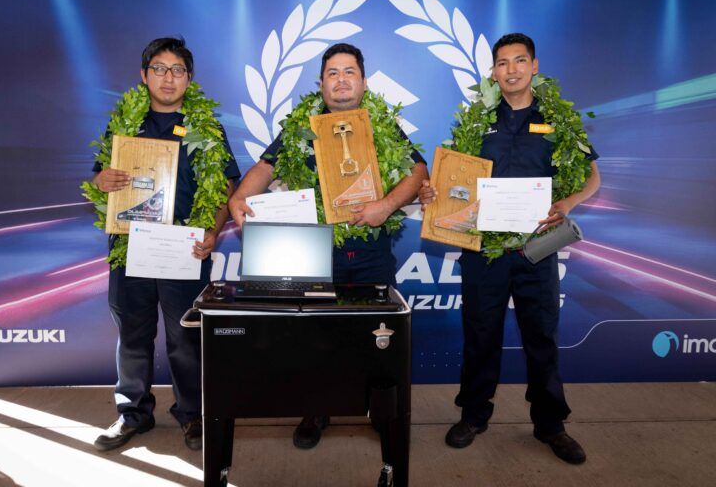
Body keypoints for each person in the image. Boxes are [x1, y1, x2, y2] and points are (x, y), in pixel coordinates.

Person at [228, 43, 428, 449]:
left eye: (349, 71)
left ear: (364, 81)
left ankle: (379, 409)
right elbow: (266, 167)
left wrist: (386, 205)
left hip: (370, 253)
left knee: (378, 337)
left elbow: (418, 170)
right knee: (315, 337)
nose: (341, 79)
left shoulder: (383, 123)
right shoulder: (301, 124)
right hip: (316, 253)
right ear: (321, 84)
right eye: (332, 73)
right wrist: (238, 198)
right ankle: (314, 410)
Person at [419, 33, 600, 465]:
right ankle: (474, 415)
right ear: (493, 72)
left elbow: (592, 177)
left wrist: (567, 203)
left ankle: (550, 425)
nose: (512, 69)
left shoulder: (558, 118)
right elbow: (453, 182)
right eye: (502, 63)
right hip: (484, 251)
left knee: (542, 337)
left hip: (536, 249)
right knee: (481, 336)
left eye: (520, 61)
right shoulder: (476, 120)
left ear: (535, 66)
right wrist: (434, 195)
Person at [90, 37, 240, 451]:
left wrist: (213, 232)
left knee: (186, 339)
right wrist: (101, 181)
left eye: (177, 70)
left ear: (189, 79)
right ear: (144, 75)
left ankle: (193, 415)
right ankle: (132, 414)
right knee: (133, 336)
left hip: (184, 249)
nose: (168, 77)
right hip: (132, 246)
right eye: (159, 68)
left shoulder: (207, 126)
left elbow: (228, 185)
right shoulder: (123, 123)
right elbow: (101, 179)